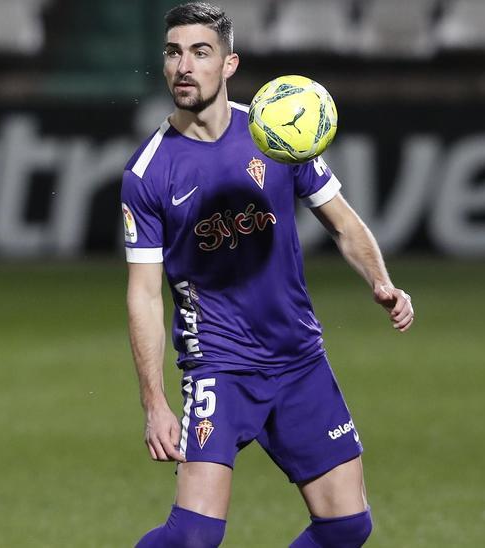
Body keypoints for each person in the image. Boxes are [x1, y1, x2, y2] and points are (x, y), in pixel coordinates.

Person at [122, 4, 415, 547]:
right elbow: (143, 295)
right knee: (193, 538)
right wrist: (155, 402)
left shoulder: (277, 132)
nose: (183, 65)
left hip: (298, 357)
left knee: (347, 525)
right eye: (173, 52)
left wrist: (381, 280)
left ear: (230, 64)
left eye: (200, 52)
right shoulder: (149, 172)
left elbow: (342, 221)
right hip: (220, 364)